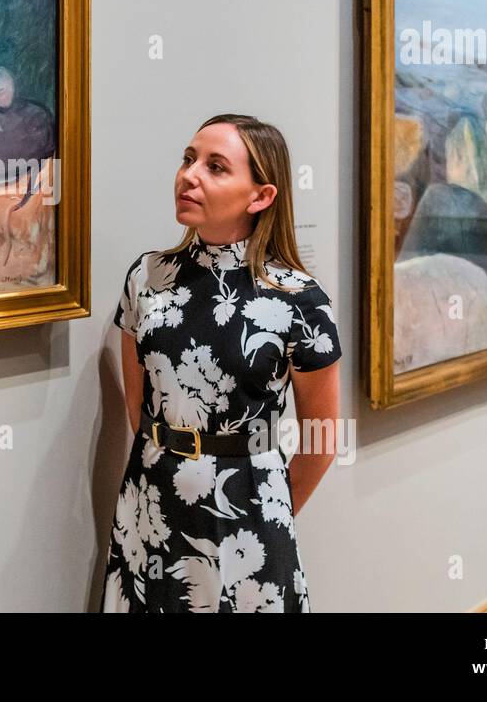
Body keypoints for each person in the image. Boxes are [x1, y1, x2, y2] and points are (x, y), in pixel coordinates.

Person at [100, 113, 342, 612]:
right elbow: (137, 403)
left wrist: (269, 508)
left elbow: (321, 440)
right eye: (188, 160)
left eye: (215, 167)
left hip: (248, 512)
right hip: (150, 499)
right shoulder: (147, 277)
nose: (189, 175)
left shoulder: (300, 300)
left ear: (261, 197)